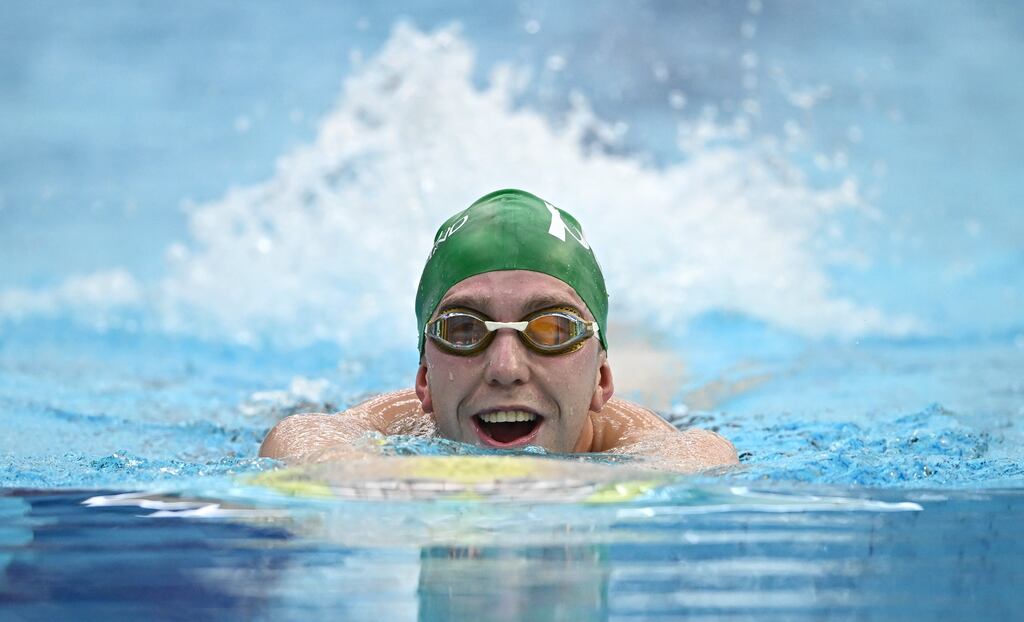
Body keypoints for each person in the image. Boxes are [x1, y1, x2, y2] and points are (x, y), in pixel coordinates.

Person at [260, 189, 738, 471]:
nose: (506, 369)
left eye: (553, 330)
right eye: (464, 330)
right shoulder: (375, 432)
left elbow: (703, 458)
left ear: (602, 380)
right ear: (424, 379)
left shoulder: (674, 450)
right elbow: (296, 441)